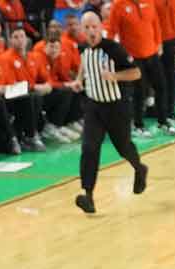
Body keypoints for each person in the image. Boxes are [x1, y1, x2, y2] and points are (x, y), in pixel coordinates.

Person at [73, 10, 145, 214]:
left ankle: (139, 169)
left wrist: (113, 76)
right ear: (82, 30)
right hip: (93, 107)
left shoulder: (114, 49)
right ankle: (88, 195)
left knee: (123, 147)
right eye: (86, 27)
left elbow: (136, 73)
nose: (91, 31)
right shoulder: (83, 49)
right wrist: (79, 80)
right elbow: (84, 66)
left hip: (116, 107)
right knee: (89, 149)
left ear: (101, 27)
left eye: (94, 26)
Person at [106, 0, 174, 135]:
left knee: (161, 86)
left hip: (152, 52)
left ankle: (163, 121)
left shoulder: (149, 2)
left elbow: (155, 23)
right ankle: (138, 125)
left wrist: (159, 43)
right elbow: (111, 32)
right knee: (139, 91)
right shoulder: (118, 5)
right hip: (133, 57)